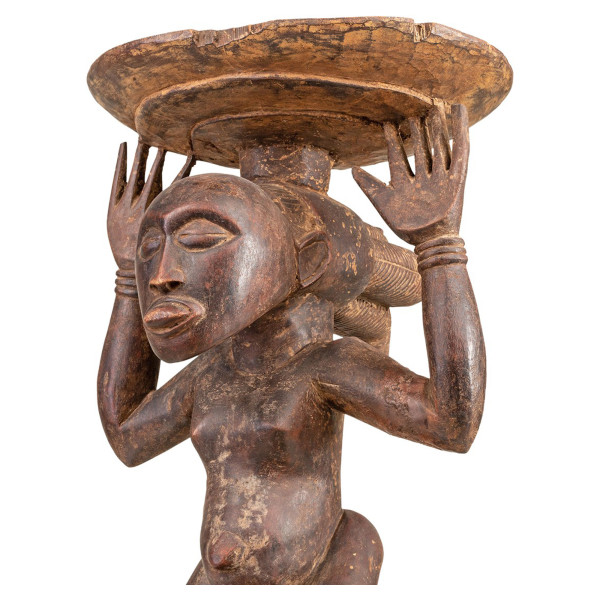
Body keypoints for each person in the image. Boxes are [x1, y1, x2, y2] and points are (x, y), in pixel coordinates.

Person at [98, 104, 485, 584]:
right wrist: (125, 275)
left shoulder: (323, 368)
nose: (161, 276)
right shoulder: (211, 375)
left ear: (308, 261)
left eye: (199, 239)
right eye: (150, 249)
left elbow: (452, 422)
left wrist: (438, 245)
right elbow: (128, 436)